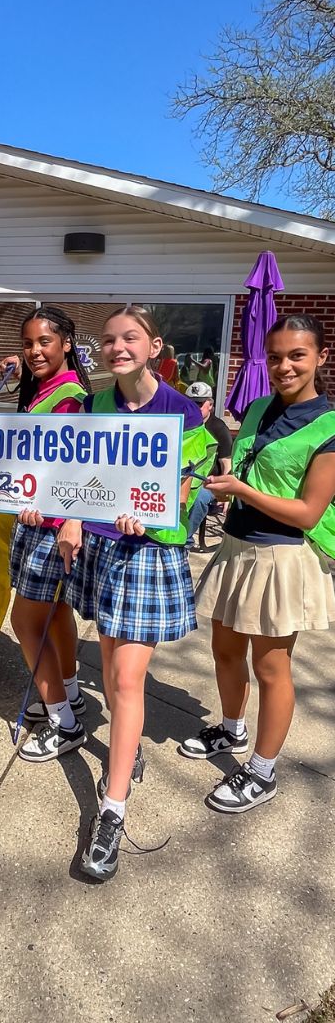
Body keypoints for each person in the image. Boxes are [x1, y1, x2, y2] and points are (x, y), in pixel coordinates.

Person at [67, 305, 216, 881]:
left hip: (148, 555)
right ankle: (125, 757)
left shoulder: (182, 411)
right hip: (102, 550)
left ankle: (112, 811)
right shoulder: (93, 406)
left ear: (153, 346)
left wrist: (154, 513)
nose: (117, 347)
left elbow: (188, 484)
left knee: (126, 680)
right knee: (108, 668)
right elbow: (76, 476)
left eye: (130, 338)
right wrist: (70, 519)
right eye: (108, 340)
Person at [185, 316, 335, 813]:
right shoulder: (256, 408)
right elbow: (238, 465)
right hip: (235, 545)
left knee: (271, 667)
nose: (284, 365)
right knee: (224, 650)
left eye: (297, 355)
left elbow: (309, 511)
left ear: (320, 358)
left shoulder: (329, 426)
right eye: (275, 357)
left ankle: (263, 770)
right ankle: (231, 729)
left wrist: (244, 491)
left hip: (281, 555)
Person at [6, 307, 94, 764]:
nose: (36, 350)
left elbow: (74, 467)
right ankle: (72, 692)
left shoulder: (69, 397)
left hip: (52, 527)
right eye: (29, 343)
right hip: (36, 519)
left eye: (45, 341)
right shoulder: (43, 390)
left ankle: (65, 722)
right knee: (56, 611)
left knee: (24, 621)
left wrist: (67, 520)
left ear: (66, 344)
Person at [183, 381, 236, 547]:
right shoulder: (183, 423)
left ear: (210, 405)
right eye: (191, 404)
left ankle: (185, 540)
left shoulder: (219, 428)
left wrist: (226, 493)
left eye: (199, 404)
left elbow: (227, 464)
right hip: (184, 477)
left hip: (209, 482)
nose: (195, 408)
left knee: (198, 499)